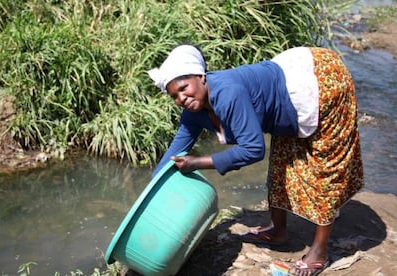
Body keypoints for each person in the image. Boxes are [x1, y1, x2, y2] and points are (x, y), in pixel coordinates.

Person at [148, 44, 364, 276]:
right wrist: (150, 196)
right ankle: (278, 230)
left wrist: (196, 163)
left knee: (325, 168)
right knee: (282, 163)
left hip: (319, 80)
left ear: (201, 77)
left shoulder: (228, 93)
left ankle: (319, 252)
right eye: (174, 96)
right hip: (286, 84)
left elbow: (253, 150)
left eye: (184, 88)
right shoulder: (193, 112)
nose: (182, 98)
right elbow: (174, 153)